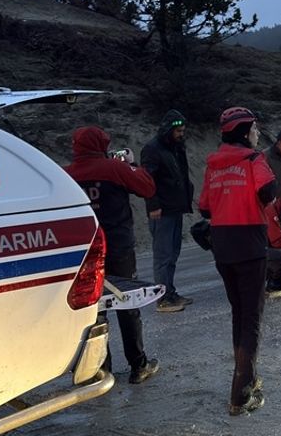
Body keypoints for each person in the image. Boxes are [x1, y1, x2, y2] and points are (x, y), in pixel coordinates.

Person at [62, 126, 160, 385]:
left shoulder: (66, 175)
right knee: (127, 302)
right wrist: (131, 164)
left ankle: (99, 370)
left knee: (94, 309)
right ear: (101, 145)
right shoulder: (113, 168)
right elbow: (147, 187)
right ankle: (138, 365)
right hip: (118, 246)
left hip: (84, 251)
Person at [199, 106, 279, 416]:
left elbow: (205, 208)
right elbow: (269, 192)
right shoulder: (253, 160)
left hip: (222, 246)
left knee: (239, 314)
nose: (258, 135)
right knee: (252, 319)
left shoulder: (213, 165)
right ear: (246, 132)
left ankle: (247, 376)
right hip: (250, 244)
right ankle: (241, 394)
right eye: (256, 129)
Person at [140, 109, 194, 313]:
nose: (181, 133)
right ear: (169, 130)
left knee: (173, 253)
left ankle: (170, 292)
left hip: (175, 208)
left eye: (183, 130)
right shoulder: (153, 149)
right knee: (163, 255)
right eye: (178, 130)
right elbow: (147, 180)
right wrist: (153, 206)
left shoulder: (176, 147)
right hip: (161, 212)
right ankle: (163, 298)